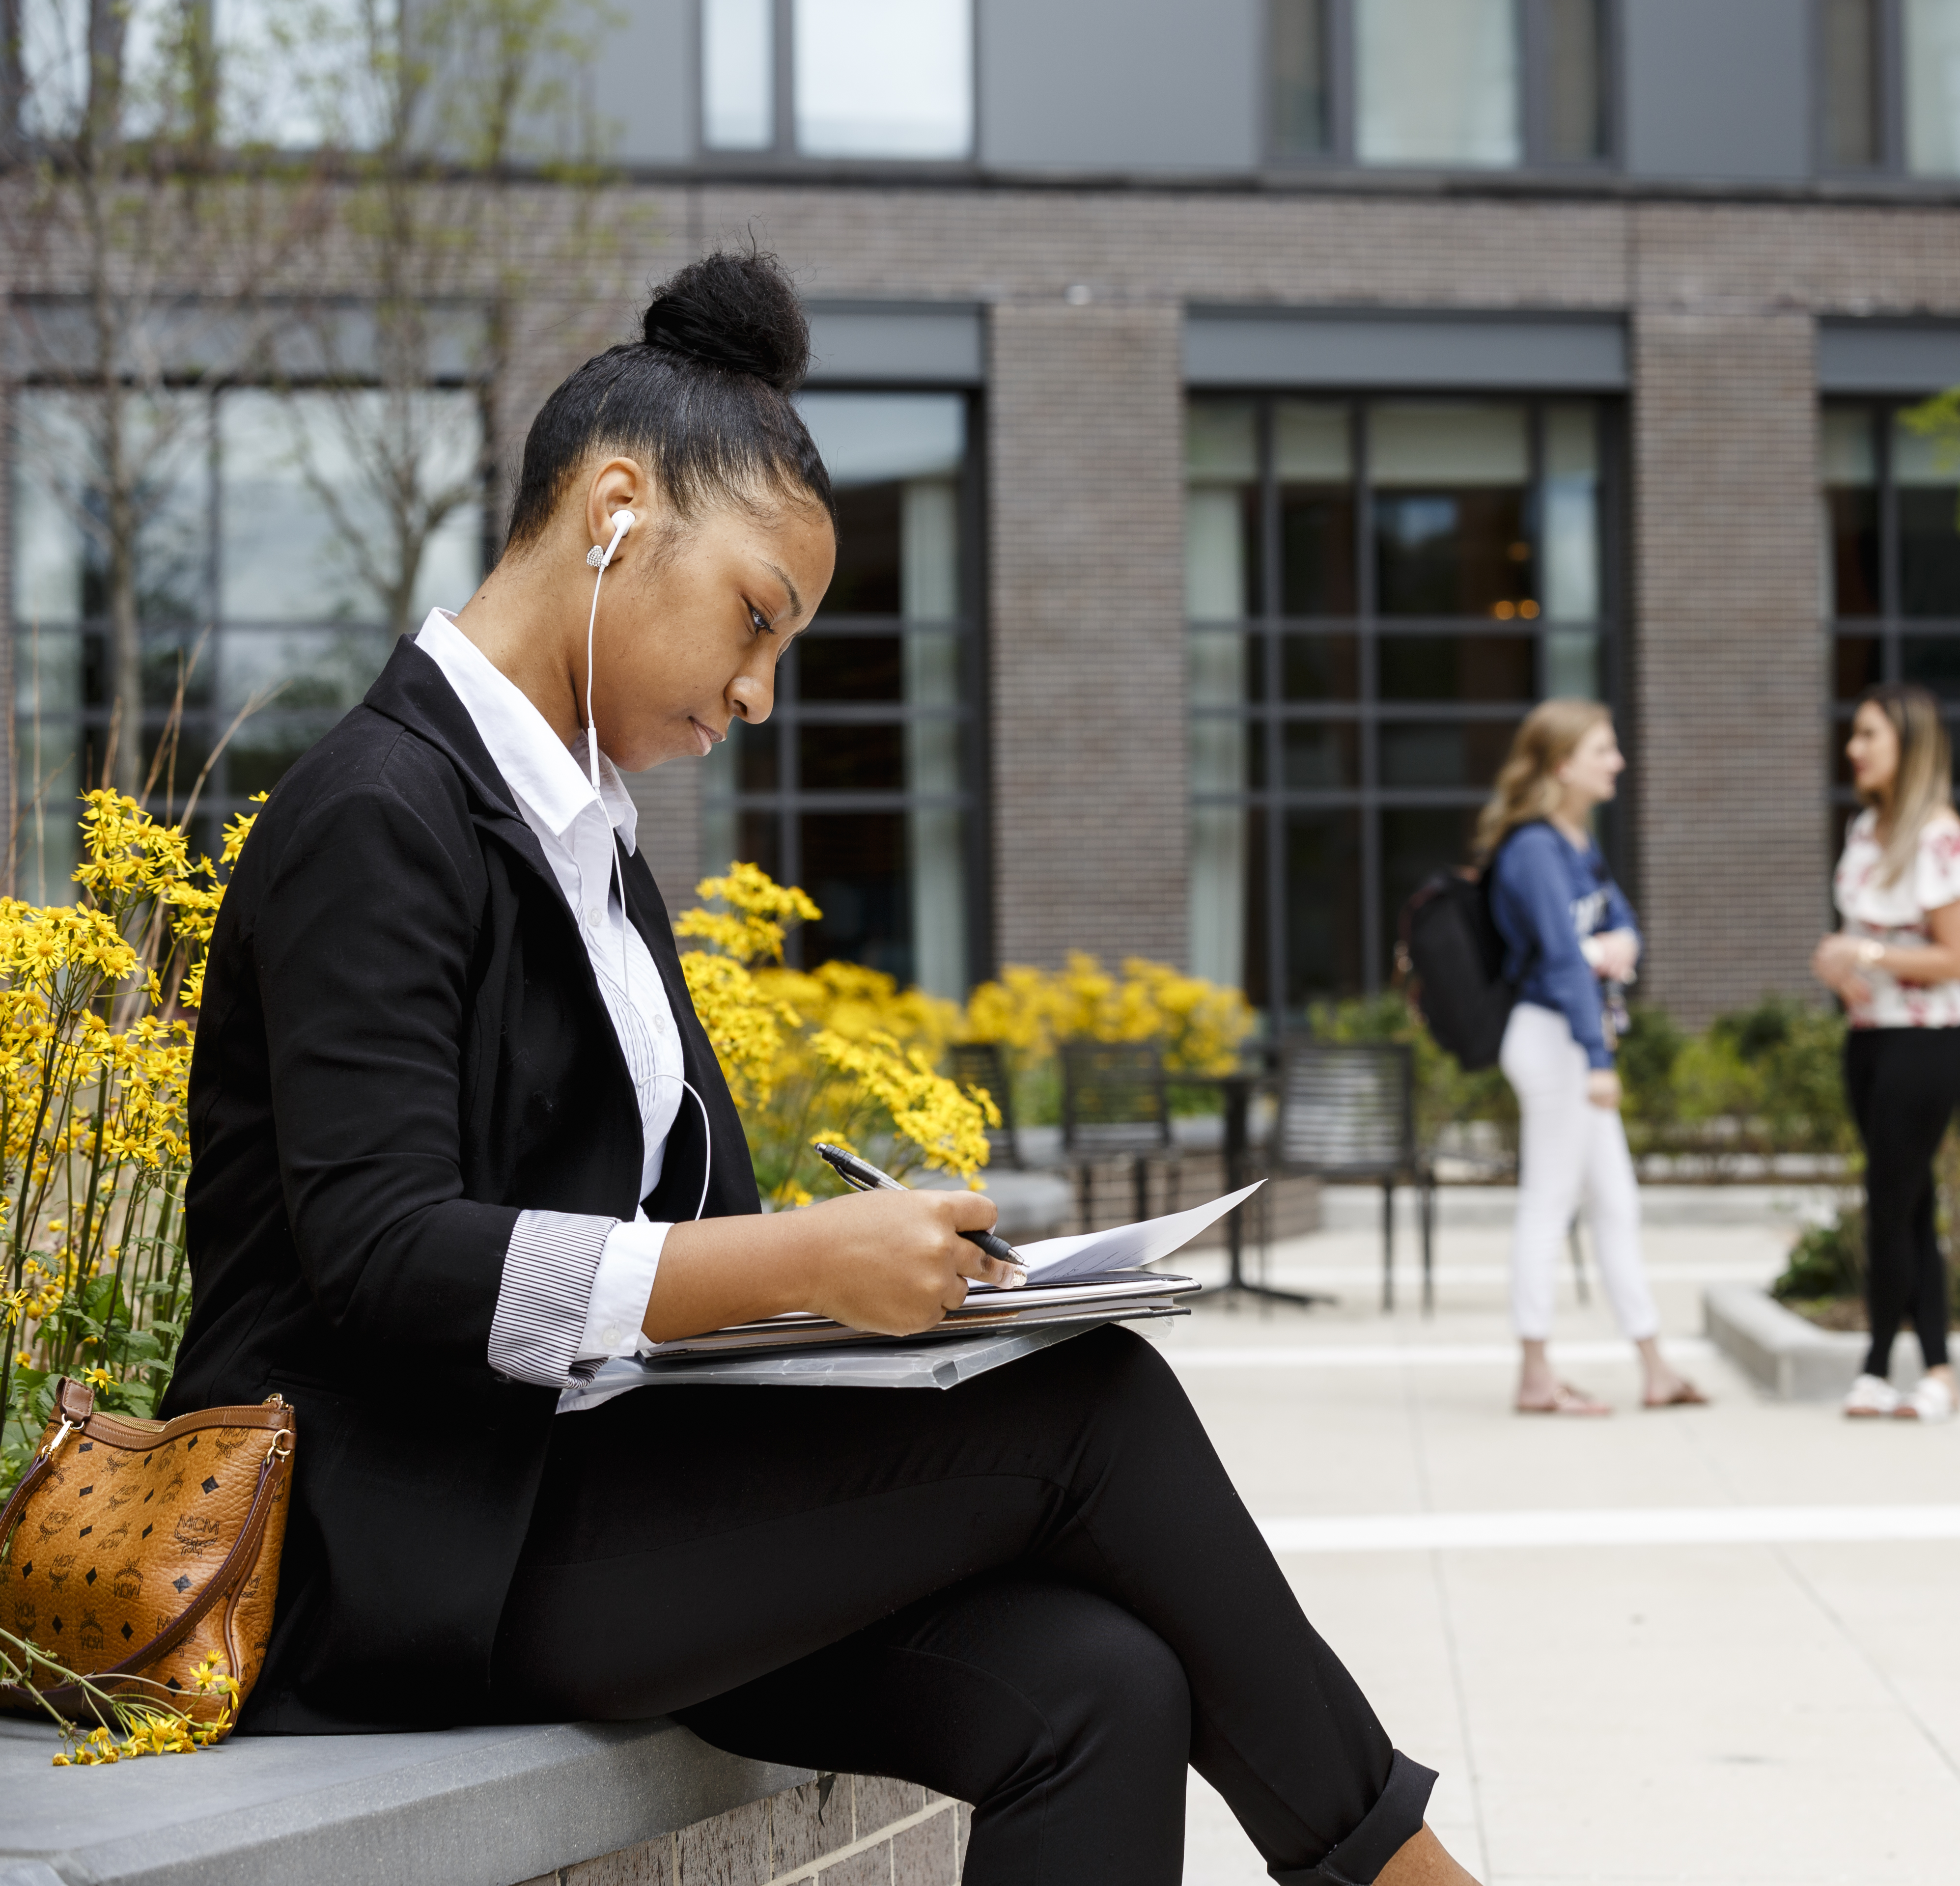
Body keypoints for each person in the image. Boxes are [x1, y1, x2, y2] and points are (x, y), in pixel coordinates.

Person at [161, 251, 1479, 1886]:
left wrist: (914, 1298)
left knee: (1100, 1687)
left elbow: (679, 1244)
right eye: (758, 620)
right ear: (616, 514)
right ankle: (1401, 1868)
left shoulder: (587, 853)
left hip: (570, 1509)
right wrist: (806, 1260)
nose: (759, 693)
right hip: (402, 1540)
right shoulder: (377, 812)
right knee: (1093, 1411)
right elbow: (379, 1257)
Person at [1480, 700, 1704, 1415]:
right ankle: (1536, 1375)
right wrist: (1598, 1056)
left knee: (1616, 1203)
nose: (1618, 763)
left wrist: (1613, 947)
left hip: (1571, 1039)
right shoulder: (1533, 850)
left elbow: (1623, 926)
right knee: (1550, 1203)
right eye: (1604, 751)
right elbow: (1562, 962)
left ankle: (1655, 1365)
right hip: (1553, 1041)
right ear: (1561, 764)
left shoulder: (1577, 844)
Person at [1810, 684, 1960, 1424]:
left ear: (1908, 748)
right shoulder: (1864, 832)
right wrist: (1846, 972)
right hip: (1871, 1039)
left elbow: (1959, 959)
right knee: (1910, 1202)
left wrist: (1869, 953)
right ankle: (1940, 1371)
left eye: (1868, 737)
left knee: (1890, 1200)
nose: (1853, 749)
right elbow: (1874, 947)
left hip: (1931, 1042)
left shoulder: (1940, 837)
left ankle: (1879, 1364)